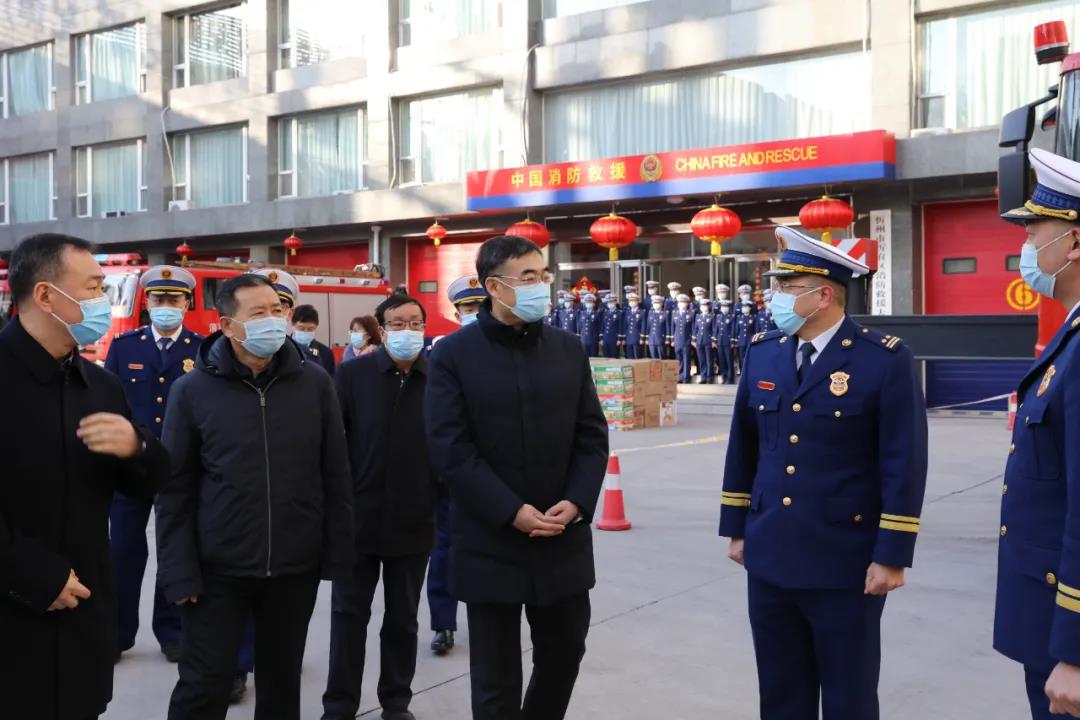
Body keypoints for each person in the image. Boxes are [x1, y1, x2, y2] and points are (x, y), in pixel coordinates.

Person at [719, 226, 928, 720]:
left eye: (787, 288)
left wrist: (892, 555)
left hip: (845, 561)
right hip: (770, 553)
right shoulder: (764, 351)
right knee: (781, 693)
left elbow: (903, 461)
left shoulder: (883, 359)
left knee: (848, 696)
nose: (774, 297)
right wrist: (737, 528)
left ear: (824, 295)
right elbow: (744, 446)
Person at [426, 235, 609, 720]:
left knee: (564, 653)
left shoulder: (567, 349)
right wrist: (510, 510)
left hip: (561, 536)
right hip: (490, 539)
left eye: (542, 276)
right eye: (527, 277)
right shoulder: (452, 355)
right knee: (495, 677)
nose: (539, 286)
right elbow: (450, 447)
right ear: (494, 286)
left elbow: (591, 435)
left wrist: (578, 500)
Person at [156, 273, 354, 720]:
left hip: (293, 568)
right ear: (227, 325)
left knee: (281, 685)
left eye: (277, 310)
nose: (273, 320)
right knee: (203, 685)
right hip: (217, 571)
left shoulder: (314, 383)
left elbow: (335, 473)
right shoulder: (192, 391)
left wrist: (338, 552)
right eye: (259, 312)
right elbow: (175, 490)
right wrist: (178, 572)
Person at [0, 233, 170, 720]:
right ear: (45, 295)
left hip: (82, 626)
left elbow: (148, 482)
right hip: (12, 623)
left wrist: (137, 448)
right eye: (94, 288)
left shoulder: (100, 386)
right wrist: (35, 576)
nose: (101, 302)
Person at [323, 295, 439, 720]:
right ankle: (340, 705)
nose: (408, 330)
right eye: (398, 323)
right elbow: (334, 444)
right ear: (382, 329)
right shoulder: (354, 374)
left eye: (415, 322)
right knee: (348, 617)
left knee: (403, 619)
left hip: (415, 521)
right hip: (358, 521)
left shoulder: (438, 377)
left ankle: (396, 701)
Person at [996, 148, 1080, 720]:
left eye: (1034, 233)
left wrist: (1073, 647)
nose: (1026, 247)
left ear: (1073, 243)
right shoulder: (1070, 335)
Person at [106, 265, 201, 664]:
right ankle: (117, 632)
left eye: (173, 299)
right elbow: (110, 402)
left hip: (179, 466)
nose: (166, 305)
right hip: (133, 465)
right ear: (147, 303)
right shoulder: (125, 346)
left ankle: (172, 630)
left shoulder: (201, 348)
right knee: (124, 550)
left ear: (186, 303)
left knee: (172, 549)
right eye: (159, 299)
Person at [428, 275, 487, 656]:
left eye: (480, 305)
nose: (475, 313)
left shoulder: (506, 351)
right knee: (444, 550)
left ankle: (490, 621)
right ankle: (443, 624)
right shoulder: (441, 352)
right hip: (451, 473)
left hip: (494, 474)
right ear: (455, 313)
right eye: (468, 307)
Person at [290, 303, 336, 376]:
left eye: (310, 329)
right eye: (301, 328)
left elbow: (329, 379)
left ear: (316, 327)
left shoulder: (325, 353)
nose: (306, 332)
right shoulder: (281, 348)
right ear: (292, 324)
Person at [670, 293, 695, 383]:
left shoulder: (691, 314)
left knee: (686, 359)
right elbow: (672, 327)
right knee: (679, 359)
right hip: (677, 340)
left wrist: (693, 339)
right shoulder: (675, 313)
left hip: (686, 340)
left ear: (687, 303)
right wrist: (672, 340)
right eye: (680, 302)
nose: (682, 304)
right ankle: (680, 376)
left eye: (684, 302)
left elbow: (693, 328)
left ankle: (686, 377)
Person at [712, 299, 735, 385]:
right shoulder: (718, 317)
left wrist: (732, 341)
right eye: (723, 306)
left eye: (726, 307)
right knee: (722, 360)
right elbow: (716, 329)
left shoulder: (731, 317)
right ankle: (724, 377)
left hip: (727, 341)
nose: (724, 308)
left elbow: (733, 330)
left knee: (729, 360)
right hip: (720, 341)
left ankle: (730, 378)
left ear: (728, 308)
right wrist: (714, 340)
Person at [692, 298, 714, 384]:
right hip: (699, 341)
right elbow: (695, 329)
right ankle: (703, 377)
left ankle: (709, 377)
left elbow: (714, 329)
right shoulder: (698, 316)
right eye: (702, 306)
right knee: (702, 360)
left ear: (708, 307)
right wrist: (693, 340)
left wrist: (713, 341)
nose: (704, 307)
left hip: (708, 340)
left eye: (705, 306)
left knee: (709, 360)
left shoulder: (711, 316)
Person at [623, 292, 646, 359]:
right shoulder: (627, 312)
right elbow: (625, 326)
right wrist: (624, 338)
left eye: (633, 301)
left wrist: (642, 338)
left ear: (637, 301)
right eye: (630, 301)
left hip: (637, 338)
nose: (631, 303)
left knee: (637, 357)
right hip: (629, 338)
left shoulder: (641, 312)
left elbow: (643, 326)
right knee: (630, 357)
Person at [646, 294, 668, 360]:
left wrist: (667, 339)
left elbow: (667, 327)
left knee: (662, 358)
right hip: (652, 340)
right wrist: (647, 338)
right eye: (654, 303)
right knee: (653, 359)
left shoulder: (665, 314)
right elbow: (648, 327)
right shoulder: (650, 313)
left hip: (661, 339)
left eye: (657, 303)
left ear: (661, 304)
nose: (656, 305)